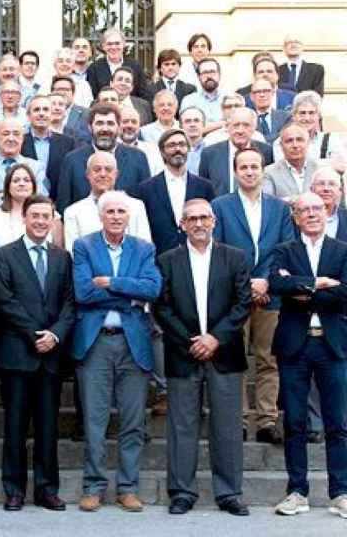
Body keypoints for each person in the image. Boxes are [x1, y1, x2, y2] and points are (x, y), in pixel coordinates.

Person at [155, 199, 252, 516]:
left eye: (203, 218)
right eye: (191, 219)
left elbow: (242, 303)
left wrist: (215, 338)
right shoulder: (168, 260)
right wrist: (191, 341)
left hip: (224, 352)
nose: (198, 224)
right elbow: (162, 307)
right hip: (184, 353)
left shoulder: (235, 257)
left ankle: (229, 493)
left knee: (226, 426)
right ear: (182, 224)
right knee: (182, 427)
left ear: (214, 221)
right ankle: (182, 492)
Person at [71, 191, 161, 513]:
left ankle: (128, 487)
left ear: (129, 215)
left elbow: (152, 289)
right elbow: (82, 291)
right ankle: (93, 487)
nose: (116, 216)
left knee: (133, 421)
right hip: (96, 341)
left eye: (122, 211)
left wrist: (109, 282)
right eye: (110, 211)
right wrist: (128, 293)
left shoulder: (144, 248)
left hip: (133, 342)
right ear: (101, 215)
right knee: (94, 420)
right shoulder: (83, 246)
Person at [0, 194, 76, 511]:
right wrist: (34, 334)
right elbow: (5, 301)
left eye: (46, 216)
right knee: (14, 426)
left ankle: (46, 488)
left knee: (47, 427)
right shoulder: (5, 255)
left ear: (53, 220)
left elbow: (70, 302)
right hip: (18, 352)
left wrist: (55, 334)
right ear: (24, 219)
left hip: (51, 355)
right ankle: (14, 490)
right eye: (35, 216)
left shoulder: (62, 257)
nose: (41, 221)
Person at [269, 192, 347, 518]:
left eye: (317, 208)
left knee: (338, 424)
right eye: (305, 210)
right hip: (294, 346)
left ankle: (340, 492)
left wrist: (301, 289)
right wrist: (319, 283)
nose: (312, 214)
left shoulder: (342, 251)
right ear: (296, 217)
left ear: (327, 212)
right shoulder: (283, 251)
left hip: (332, 346)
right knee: (296, 422)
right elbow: (276, 284)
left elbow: (345, 292)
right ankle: (297, 491)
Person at [211, 148, 295, 444]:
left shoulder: (279, 208)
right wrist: (247, 285)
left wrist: (265, 282)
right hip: (234, 296)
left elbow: (286, 248)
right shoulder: (220, 206)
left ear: (263, 171)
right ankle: (238, 420)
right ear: (235, 172)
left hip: (270, 296)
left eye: (254, 166)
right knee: (234, 360)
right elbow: (217, 251)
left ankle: (267, 420)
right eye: (243, 167)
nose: (249, 171)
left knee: (268, 358)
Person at [134, 129, 216, 255]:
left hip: (197, 256)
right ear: (162, 151)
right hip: (159, 258)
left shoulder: (205, 186)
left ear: (188, 149)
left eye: (182, 144)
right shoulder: (145, 189)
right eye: (171, 145)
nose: (177, 149)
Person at [55, 103, 150, 211]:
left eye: (110, 123)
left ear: (119, 127)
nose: (105, 129)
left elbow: (146, 202)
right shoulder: (72, 160)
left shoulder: (138, 158)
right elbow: (63, 205)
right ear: (90, 127)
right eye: (99, 123)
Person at [63, 152, 152, 251]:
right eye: (97, 170)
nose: (103, 174)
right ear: (87, 174)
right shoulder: (73, 212)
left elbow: (145, 247)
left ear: (116, 174)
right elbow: (74, 252)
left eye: (108, 170)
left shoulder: (136, 206)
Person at [0, 117, 48, 211]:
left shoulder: (36, 168)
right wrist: (17, 200)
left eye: (16, 134)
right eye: (5, 134)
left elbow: (40, 197)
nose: (11, 138)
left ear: (22, 138)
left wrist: (0, 196)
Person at [0, 163, 63, 250]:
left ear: (33, 186)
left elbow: (58, 253)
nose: (21, 184)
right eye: (16, 180)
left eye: (26, 180)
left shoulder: (52, 215)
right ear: (8, 187)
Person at [21, 95, 75, 200]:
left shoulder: (68, 143)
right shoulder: (20, 142)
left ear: (51, 114)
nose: (41, 113)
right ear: (28, 116)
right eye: (36, 110)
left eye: (46, 110)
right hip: (27, 202)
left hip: (58, 202)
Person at [86, 28, 149, 100]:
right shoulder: (94, 68)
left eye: (117, 43)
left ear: (124, 45)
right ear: (103, 46)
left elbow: (143, 94)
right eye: (109, 44)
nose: (113, 47)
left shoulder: (135, 66)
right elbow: (93, 96)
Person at [263, 124, 320, 201]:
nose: (295, 145)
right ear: (281, 146)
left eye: (299, 140)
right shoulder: (268, 173)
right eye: (289, 141)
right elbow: (268, 202)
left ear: (308, 143)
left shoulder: (320, 169)